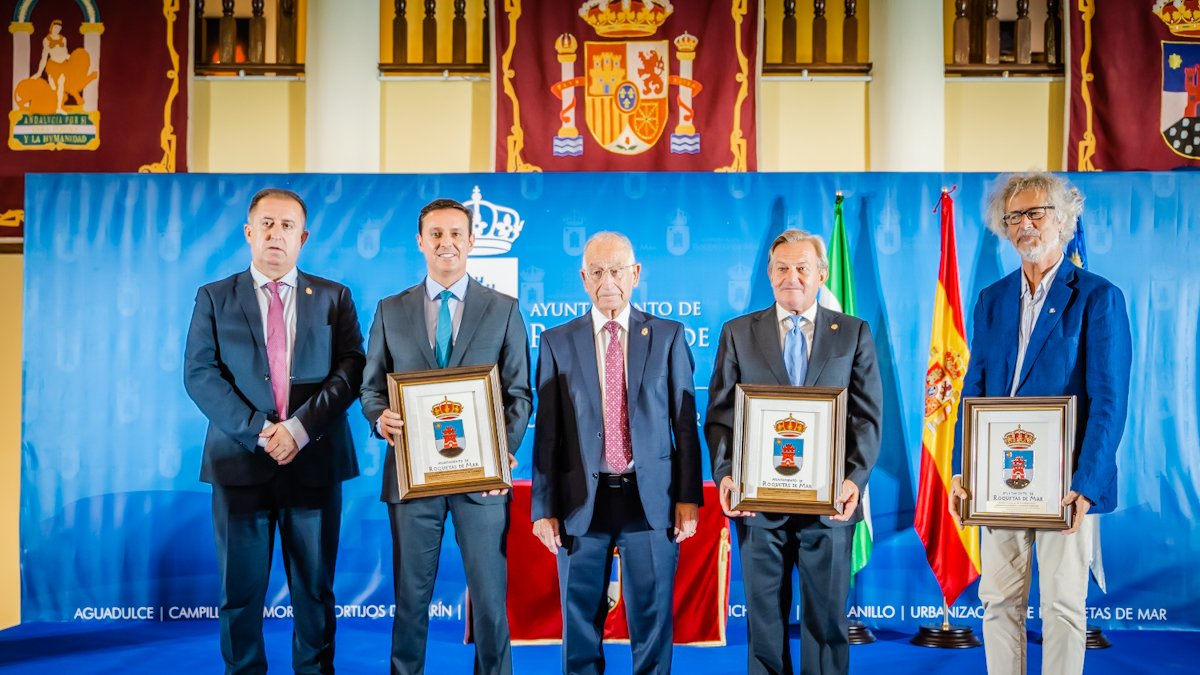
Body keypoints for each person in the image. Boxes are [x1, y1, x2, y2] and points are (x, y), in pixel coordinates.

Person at [949, 172, 1132, 675]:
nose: (1024, 224)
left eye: (1036, 213)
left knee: (1063, 605)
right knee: (997, 602)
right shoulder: (991, 299)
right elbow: (973, 390)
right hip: (998, 479)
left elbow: (1109, 401)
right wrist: (963, 469)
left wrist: (1087, 485)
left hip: (1066, 483)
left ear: (1063, 219)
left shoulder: (1098, 297)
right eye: (1014, 217)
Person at [184, 188, 365, 675]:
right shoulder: (214, 298)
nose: (275, 234)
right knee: (239, 594)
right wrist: (261, 432)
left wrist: (300, 428)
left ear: (303, 238)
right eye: (266, 224)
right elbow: (199, 374)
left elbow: (351, 369)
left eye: (287, 226)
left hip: (314, 462)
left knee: (314, 591)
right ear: (249, 233)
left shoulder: (334, 297)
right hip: (239, 463)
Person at [360, 198, 532, 675]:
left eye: (456, 233)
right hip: (412, 480)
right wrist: (379, 418)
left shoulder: (503, 309)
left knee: (490, 602)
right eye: (436, 234)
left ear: (471, 241)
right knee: (410, 600)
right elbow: (371, 388)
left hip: (482, 481)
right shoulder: (390, 310)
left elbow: (519, 394)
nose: (446, 243)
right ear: (420, 241)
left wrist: (503, 451)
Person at [705, 229, 882, 675]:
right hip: (758, 505)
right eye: (782, 268)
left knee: (826, 625)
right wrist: (725, 474)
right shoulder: (738, 333)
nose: (792, 277)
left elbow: (866, 418)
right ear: (769, 275)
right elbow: (721, 417)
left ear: (822, 274)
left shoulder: (853, 333)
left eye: (803, 268)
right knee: (764, 626)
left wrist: (854, 480)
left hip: (831, 505)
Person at [531, 231, 703, 674]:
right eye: (597, 272)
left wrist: (688, 498)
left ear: (636, 273)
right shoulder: (556, 341)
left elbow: (685, 425)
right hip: (580, 504)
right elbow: (547, 434)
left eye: (616, 270)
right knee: (579, 628)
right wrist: (543, 508)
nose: (607, 281)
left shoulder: (668, 335)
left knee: (652, 622)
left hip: (651, 502)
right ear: (583, 278)